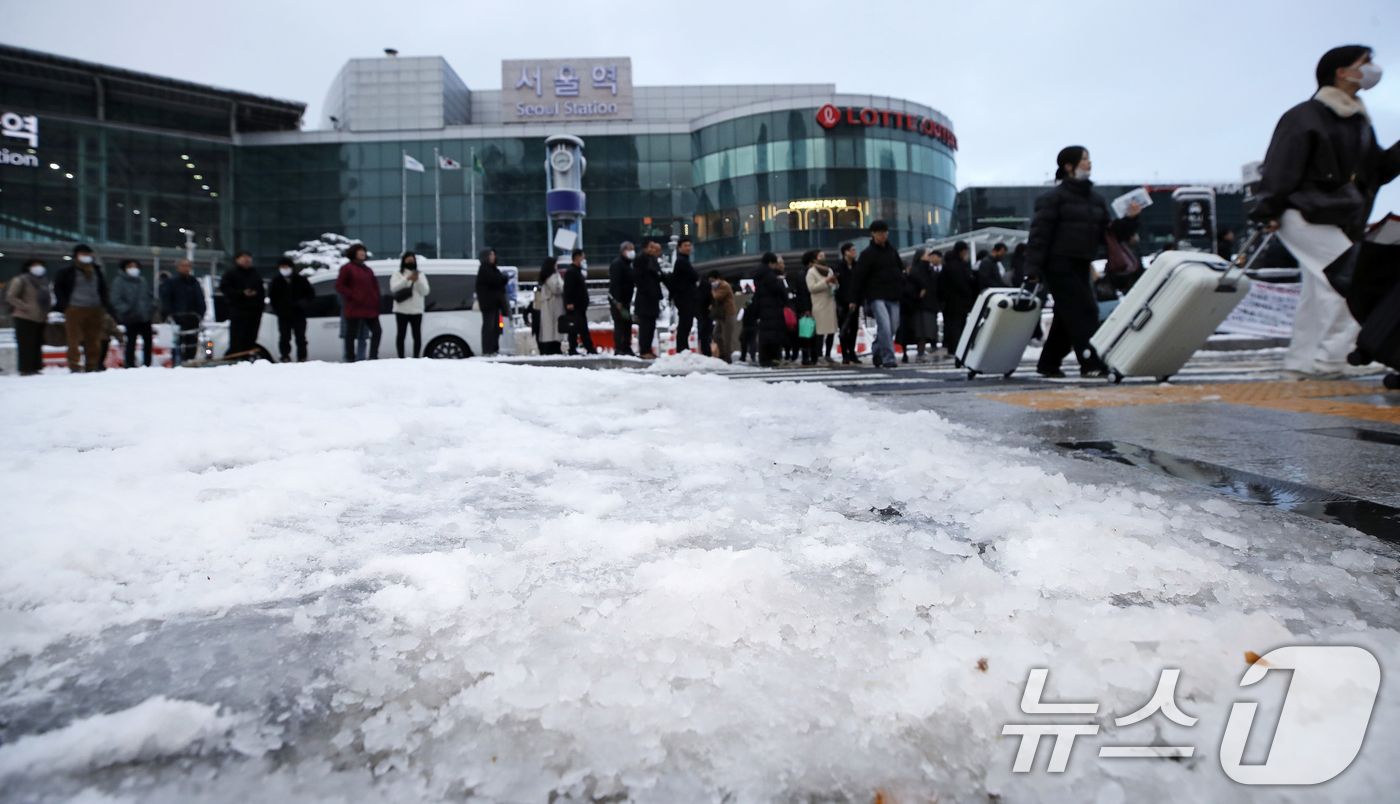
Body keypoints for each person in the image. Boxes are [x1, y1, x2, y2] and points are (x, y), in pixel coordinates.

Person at [1252, 44, 1400, 380]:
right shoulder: (1306, 115)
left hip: (1333, 214)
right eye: (1365, 63)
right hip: (1303, 211)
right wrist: (1267, 209)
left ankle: (1302, 361)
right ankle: (1334, 356)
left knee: (1318, 290)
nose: (1374, 68)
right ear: (1342, 72)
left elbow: (1377, 171)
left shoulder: (1357, 119)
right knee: (1349, 281)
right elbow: (1281, 165)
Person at [1026, 146, 1142, 378]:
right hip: (1058, 263)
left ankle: (1048, 363)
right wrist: (1033, 269)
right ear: (1069, 166)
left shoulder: (1095, 199)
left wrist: (1131, 219)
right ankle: (1091, 362)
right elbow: (1039, 236)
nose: (1089, 163)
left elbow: (1108, 233)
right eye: (1084, 159)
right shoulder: (1052, 198)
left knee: (1067, 314)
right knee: (1084, 309)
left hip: (1081, 263)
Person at [52, 244, 114, 372]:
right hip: (75, 308)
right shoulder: (67, 272)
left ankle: (92, 365)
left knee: (94, 339)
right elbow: (58, 289)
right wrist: (65, 306)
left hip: (95, 308)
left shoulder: (96, 271)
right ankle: (74, 364)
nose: (86, 257)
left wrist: (105, 305)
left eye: (88, 255)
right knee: (73, 339)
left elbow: (103, 289)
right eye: (83, 254)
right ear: (76, 256)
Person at [852, 221, 904, 368]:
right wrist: (855, 298)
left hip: (893, 294)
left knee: (892, 327)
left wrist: (901, 284)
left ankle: (877, 349)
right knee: (885, 326)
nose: (883, 235)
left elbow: (899, 269)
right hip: (876, 295)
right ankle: (888, 357)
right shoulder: (867, 254)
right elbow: (858, 277)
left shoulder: (892, 251)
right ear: (873, 233)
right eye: (880, 232)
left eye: (885, 232)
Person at [336, 243, 381, 362]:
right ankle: (350, 358)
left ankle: (373, 356)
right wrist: (353, 295)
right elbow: (339, 286)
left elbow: (375, 286)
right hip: (354, 306)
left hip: (369, 306)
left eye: (363, 251)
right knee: (351, 334)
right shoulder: (347, 268)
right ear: (353, 253)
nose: (362, 254)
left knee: (377, 331)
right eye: (359, 251)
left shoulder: (368, 270)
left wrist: (375, 297)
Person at [6, 259, 52, 375]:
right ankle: (25, 368)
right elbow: (11, 296)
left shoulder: (44, 281)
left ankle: (36, 367)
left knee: (37, 343)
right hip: (24, 316)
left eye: (41, 265)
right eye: (35, 265)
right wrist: (25, 306)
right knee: (26, 343)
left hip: (40, 316)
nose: (39, 268)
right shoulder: (21, 280)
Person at [218, 250, 265, 356]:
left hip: (254, 312)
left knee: (251, 339)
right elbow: (225, 289)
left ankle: (246, 358)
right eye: (244, 257)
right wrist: (242, 293)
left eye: (249, 257)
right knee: (237, 339)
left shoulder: (254, 274)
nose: (247, 259)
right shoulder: (231, 274)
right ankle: (236, 360)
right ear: (237, 260)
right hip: (239, 311)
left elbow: (261, 291)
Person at [110, 259, 155, 368]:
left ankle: (147, 363)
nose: (133, 269)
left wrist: (151, 308)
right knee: (131, 341)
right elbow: (115, 299)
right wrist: (127, 310)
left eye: (135, 266)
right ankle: (129, 363)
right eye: (130, 266)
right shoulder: (119, 282)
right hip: (130, 317)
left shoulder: (142, 280)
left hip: (145, 316)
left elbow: (150, 296)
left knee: (148, 341)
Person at [160, 258, 206, 365]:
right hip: (177, 317)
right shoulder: (171, 282)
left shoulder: (194, 282)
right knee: (177, 341)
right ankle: (177, 360)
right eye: (183, 266)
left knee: (192, 340)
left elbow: (200, 299)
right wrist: (168, 313)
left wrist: (201, 312)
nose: (186, 268)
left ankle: (190, 360)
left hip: (193, 317)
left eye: (188, 266)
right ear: (178, 267)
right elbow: (166, 299)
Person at [938, 242, 979, 360]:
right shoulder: (959, 266)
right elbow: (961, 283)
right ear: (962, 251)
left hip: (949, 302)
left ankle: (952, 347)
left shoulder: (948, 265)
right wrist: (968, 293)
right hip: (959, 301)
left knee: (951, 325)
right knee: (958, 325)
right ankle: (957, 348)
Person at [268, 257, 314, 362]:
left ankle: (302, 357)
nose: (284, 269)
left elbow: (310, 295)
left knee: (301, 338)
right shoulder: (276, 281)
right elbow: (273, 298)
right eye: (282, 267)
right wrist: (279, 310)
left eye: (286, 267)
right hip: (284, 315)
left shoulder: (301, 280)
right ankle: (285, 357)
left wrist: (303, 303)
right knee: (284, 337)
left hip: (299, 314)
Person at [752, 252, 792, 367]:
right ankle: (772, 358)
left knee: (765, 333)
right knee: (773, 334)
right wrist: (779, 281)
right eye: (775, 264)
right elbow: (777, 289)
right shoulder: (769, 275)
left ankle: (765, 358)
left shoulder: (759, 273)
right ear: (770, 263)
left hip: (763, 308)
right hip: (772, 308)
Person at [389, 252, 429, 359]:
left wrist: (417, 281)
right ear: (403, 261)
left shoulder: (420, 275)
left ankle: (416, 356)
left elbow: (425, 291)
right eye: (408, 260)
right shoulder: (397, 274)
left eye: (412, 260)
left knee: (417, 335)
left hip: (417, 310)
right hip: (401, 309)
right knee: (401, 334)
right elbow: (394, 288)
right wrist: (407, 279)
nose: (410, 262)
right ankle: (401, 357)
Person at [805, 250, 839, 364]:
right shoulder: (811, 272)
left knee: (831, 330)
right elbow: (812, 288)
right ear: (815, 259)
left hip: (830, 302)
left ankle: (828, 354)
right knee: (820, 331)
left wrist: (834, 283)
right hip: (819, 304)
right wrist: (826, 281)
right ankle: (819, 355)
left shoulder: (829, 270)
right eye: (820, 256)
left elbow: (833, 285)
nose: (823, 257)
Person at [908, 248, 942, 361]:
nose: (929, 256)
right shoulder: (922, 270)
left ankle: (922, 351)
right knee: (923, 329)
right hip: (924, 304)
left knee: (924, 329)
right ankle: (921, 351)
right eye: (927, 254)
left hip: (924, 303)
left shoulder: (920, 269)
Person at [633, 240, 665, 359]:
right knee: (645, 326)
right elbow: (639, 279)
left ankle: (648, 349)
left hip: (653, 298)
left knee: (651, 326)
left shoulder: (653, 260)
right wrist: (647, 291)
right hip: (645, 298)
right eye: (651, 247)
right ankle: (644, 350)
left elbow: (659, 276)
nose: (654, 250)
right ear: (645, 248)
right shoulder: (640, 260)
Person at [475, 248, 508, 356]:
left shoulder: (493, 269)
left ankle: (494, 349)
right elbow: (496, 281)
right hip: (489, 304)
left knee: (496, 328)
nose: (493, 257)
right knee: (489, 327)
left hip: (495, 304)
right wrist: (503, 279)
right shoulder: (485, 270)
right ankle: (488, 349)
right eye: (491, 255)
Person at [668, 237, 699, 352]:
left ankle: (683, 347)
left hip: (685, 296)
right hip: (684, 297)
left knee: (686, 323)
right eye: (685, 246)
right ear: (679, 248)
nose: (688, 248)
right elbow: (694, 275)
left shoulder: (684, 260)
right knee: (685, 323)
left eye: (689, 245)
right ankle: (682, 348)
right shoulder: (681, 261)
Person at [564, 249, 596, 355]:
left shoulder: (577, 271)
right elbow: (568, 288)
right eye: (583, 257)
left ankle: (582, 347)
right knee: (577, 327)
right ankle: (580, 348)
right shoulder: (571, 272)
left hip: (580, 305)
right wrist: (569, 302)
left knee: (580, 327)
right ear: (578, 258)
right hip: (575, 305)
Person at [785, 252, 815, 364]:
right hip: (805, 307)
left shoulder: (804, 273)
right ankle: (807, 356)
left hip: (805, 306)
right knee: (807, 332)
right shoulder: (804, 274)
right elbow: (804, 293)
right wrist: (806, 308)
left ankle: (807, 356)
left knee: (806, 332)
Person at [833, 242, 860, 364]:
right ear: (846, 252)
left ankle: (852, 352)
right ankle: (845, 353)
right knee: (844, 328)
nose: (855, 252)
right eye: (853, 250)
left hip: (855, 301)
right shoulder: (838, 267)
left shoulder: (857, 266)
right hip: (843, 302)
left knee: (854, 328)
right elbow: (837, 286)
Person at [608, 242, 636, 356]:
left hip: (626, 300)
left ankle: (626, 346)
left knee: (627, 323)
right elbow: (616, 283)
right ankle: (619, 348)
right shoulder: (618, 264)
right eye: (629, 249)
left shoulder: (628, 264)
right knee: (619, 324)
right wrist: (618, 299)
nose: (631, 251)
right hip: (618, 300)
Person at [533, 257, 565, 355]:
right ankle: (554, 348)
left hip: (552, 306)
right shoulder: (552, 277)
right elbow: (558, 289)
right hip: (552, 307)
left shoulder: (546, 277)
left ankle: (552, 347)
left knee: (552, 328)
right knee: (553, 328)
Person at [709, 270, 738, 363]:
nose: (712, 283)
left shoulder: (724, 286)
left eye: (712, 280)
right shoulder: (717, 286)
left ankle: (727, 356)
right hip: (721, 314)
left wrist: (713, 290)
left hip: (728, 313)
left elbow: (718, 296)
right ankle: (722, 353)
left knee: (726, 336)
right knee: (716, 334)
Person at [697, 263, 716, 357]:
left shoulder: (704, 288)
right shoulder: (702, 287)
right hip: (703, 314)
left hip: (705, 314)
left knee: (704, 334)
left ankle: (706, 352)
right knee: (703, 335)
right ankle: (705, 352)